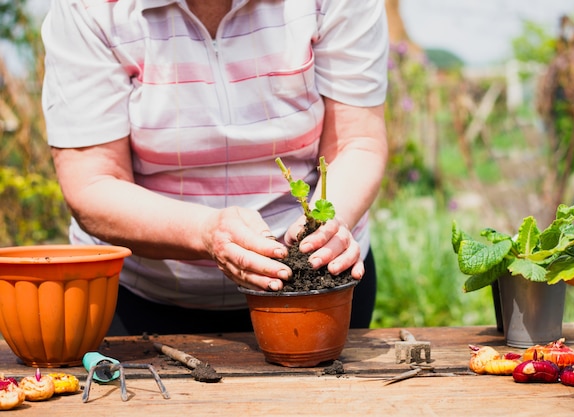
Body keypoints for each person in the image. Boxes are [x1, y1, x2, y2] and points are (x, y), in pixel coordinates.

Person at [40, 0, 389, 335]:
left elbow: (358, 143)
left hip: (315, 295)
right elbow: (94, 182)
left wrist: (326, 225)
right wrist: (205, 231)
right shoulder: (89, 8)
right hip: (140, 301)